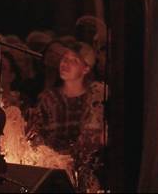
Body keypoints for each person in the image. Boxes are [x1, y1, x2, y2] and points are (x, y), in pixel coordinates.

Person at [28, 42, 105, 189]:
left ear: (86, 68)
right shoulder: (48, 99)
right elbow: (35, 135)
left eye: (74, 61)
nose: (65, 64)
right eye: (64, 59)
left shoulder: (95, 98)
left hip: (89, 176)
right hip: (55, 175)